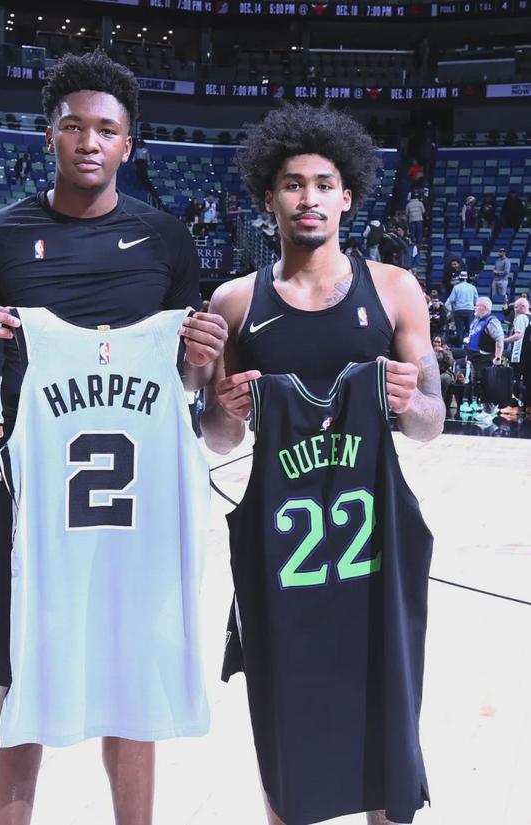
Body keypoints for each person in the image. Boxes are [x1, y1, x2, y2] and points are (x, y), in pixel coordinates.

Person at [0, 48, 227, 825]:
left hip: (137, 498)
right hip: (31, 489)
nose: (88, 141)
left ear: (129, 144)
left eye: (105, 129)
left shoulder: (166, 240)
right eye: (73, 126)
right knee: (17, 671)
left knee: (132, 672)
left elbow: (184, 381)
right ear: (49, 136)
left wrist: (202, 361)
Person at [201, 102, 443, 825]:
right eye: (292, 184)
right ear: (268, 197)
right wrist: (226, 407)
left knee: (386, 759)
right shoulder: (235, 303)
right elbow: (218, 439)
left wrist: (409, 400)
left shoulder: (394, 289)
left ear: (347, 196)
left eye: (323, 184)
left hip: (375, 564)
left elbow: (431, 422)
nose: (308, 198)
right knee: (289, 760)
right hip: (285, 568)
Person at [463, 296, 504, 421]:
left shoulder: (491, 321)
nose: (475, 307)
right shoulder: (476, 321)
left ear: (484, 307)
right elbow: (472, 338)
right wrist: (468, 354)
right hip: (474, 358)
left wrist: (498, 357)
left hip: (485, 358)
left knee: (486, 384)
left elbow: (499, 339)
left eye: (477, 305)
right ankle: (486, 408)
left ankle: (489, 410)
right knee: (477, 384)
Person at [501, 297, 530, 414]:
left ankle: (513, 406)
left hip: (519, 354)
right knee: (528, 380)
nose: (515, 310)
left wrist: (503, 341)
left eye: (516, 307)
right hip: (529, 355)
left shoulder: (521, 317)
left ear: (523, 307)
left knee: (514, 379)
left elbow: (518, 335)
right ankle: (528, 406)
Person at [445, 271, 478, 345]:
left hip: (459, 311)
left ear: (459, 278)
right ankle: (468, 345)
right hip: (470, 311)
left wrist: (451, 310)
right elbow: (476, 301)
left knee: (459, 330)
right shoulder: (472, 288)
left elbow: (451, 300)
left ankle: (461, 345)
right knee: (469, 329)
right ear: (466, 278)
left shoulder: (456, 288)